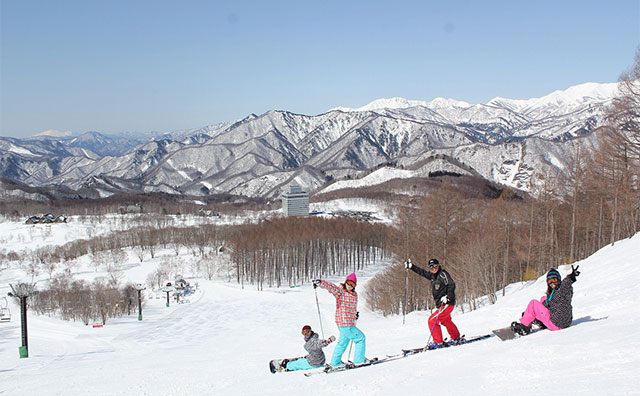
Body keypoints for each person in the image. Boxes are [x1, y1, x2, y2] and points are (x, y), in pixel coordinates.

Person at [405, 258, 460, 348]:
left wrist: (447, 297)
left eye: (435, 266)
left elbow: (451, 284)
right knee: (445, 320)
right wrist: (412, 267)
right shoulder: (433, 276)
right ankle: (456, 337)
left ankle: (438, 342)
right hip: (442, 305)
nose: (433, 268)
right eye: (431, 267)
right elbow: (422, 272)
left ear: (438, 266)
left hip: (447, 303)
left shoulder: (443, 274)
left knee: (432, 320)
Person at [312, 273, 366, 367]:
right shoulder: (340, 292)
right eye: (349, 283)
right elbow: (331, 287)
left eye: (353, 285)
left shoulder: (354, 294)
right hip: (344, 323)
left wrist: (354, 315)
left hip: (348, 322)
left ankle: (335, 362)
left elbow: (350, 308)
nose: (350, 286)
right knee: (360, 338)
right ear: (345, 282)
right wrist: (320, 283)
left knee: (342, 343)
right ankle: (359, 360)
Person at [511, 265, 580, 335]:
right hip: (566, 322)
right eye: (550, 281)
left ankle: (524, 327)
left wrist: (571, 277)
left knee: (533, 303)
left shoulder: (562, 289)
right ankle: (534, 318)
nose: (552, 283)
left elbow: (565, 284)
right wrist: (531, 313)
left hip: (555, 324)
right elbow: (549, 304)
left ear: (559, 280)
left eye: (554, 280)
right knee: (543, 299)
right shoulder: (560, 293)